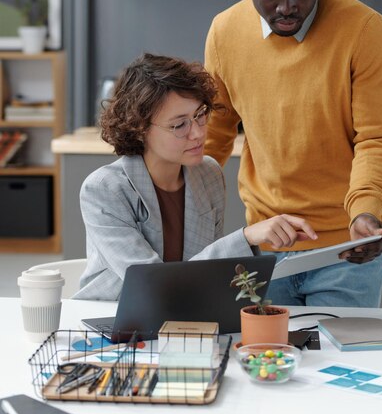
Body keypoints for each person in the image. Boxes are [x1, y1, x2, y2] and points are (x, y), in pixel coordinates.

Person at [204, 0, 382, 307]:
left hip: (345, 250)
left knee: (340, 368)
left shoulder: (364, 30)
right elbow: (212, 137)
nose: (286, 7)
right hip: (264, 247)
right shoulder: (224, 32)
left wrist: (365, 213)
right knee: (264, 365)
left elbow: (376, 138)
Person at [74, 53, 316, 300]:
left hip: (184, 314)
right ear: (139, 128)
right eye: (179, 125)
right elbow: (153, 282)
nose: (198, 133)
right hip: (109, 321)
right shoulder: (104, 189)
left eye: (200, 115)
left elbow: (205, 277)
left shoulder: (208, 174)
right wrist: (246, 237)